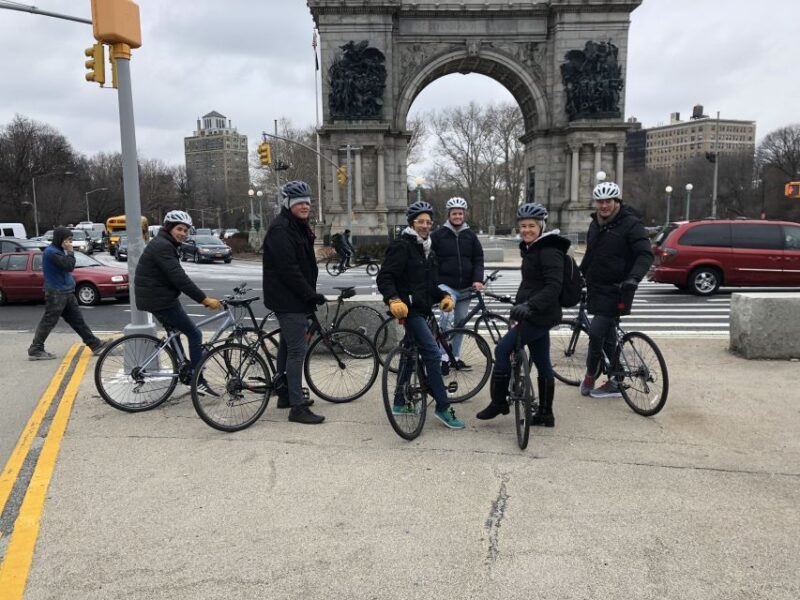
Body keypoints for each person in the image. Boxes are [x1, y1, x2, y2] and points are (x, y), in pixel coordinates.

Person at [475, 203, 569, 427]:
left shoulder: (549, 251)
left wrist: (530, 306)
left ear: (541, 226)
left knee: (502, 349)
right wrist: (519, 303)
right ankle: (545, 414)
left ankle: (499, 402)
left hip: (538, 315)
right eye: (523, 226)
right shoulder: (533, 248)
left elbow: (553, 287)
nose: (526, 230)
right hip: (536, 313)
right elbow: (531, 284)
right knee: (543, 362)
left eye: (531, 226)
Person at [376, 200, 464, 430]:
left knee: (409, 353)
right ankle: (443, 407)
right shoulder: (402, 246)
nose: (425, 225)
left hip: (423, 308)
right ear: (411, 223)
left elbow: (429, 285)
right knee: (433, 354)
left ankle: (399, 401)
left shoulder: (427, 249)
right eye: (420, 222)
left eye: (428, 222)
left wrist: (443, 296)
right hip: (408, 309)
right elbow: (385, 277)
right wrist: (393, 299)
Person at [134, 210, 223, 394]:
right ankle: (197, 380)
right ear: (169, 228)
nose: (183, 233)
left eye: (185, 230)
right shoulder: (163, 246)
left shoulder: (164, 243)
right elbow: (179, 278)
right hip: (160, 300)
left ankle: (185, 370)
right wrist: (204, 299)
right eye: (179, 229)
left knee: (175, 334)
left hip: (156, 297)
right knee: (195, 334)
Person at [579, 180, 654, 398]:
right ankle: (616, 380)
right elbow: (591, 255)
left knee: (596, 332)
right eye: (600, 201)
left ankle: (591, 374)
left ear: (617, 201)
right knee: (608, 334)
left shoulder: (631, 224)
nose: (604, 206)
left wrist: (634, 278)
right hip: (597, 288)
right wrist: (578, 276)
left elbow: (645, 254)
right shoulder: (595, 224)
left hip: (619, 289)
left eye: (608, 201)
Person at [263, 180, 326, 425]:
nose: (305, 206)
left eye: (307, 202)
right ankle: (297, 408)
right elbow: (289, 270)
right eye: (299, 203)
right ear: (288, 204)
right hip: (289, 300)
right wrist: (310, 294)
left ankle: (285, 394)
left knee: (288, 347)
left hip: (294, 298)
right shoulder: (281, 229)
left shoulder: (297, 226)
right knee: (297, 351)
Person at [28, 227, 110, 360]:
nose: (70, 243)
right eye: (68, 240)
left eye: (71, 240)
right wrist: (70, 252)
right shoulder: (52, 252)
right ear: (59, 239)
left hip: (66, 291)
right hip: (56, 293)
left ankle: (94, 344)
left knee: (77, 321)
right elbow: (68, 266)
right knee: (49, 321)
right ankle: (36, 349)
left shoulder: (58, 251)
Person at [431, 196, 484, 373]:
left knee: (461, 323)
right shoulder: (438, 235)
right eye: (454, 213)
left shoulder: (471, 236)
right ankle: (443, 358)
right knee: (446, 318)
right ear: (449, 215)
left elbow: (478, 259)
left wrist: (478, 279)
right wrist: (436, 281)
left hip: (466, 287)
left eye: (460, 213)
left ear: (464, 215)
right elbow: (431, 260)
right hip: (446, 286)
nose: (457, 216)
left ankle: (455, 357)